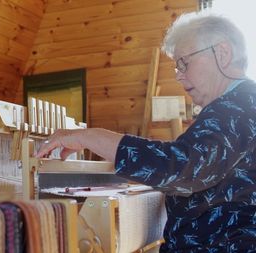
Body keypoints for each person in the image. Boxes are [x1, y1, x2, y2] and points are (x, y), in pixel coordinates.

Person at [36, 11, 256, 252]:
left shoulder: (237, 108)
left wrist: (88, 136)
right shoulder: (240, 104)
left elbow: (180, 167)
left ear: (222, 53)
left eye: (185, 62)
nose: (179, 76)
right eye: (176, 66)